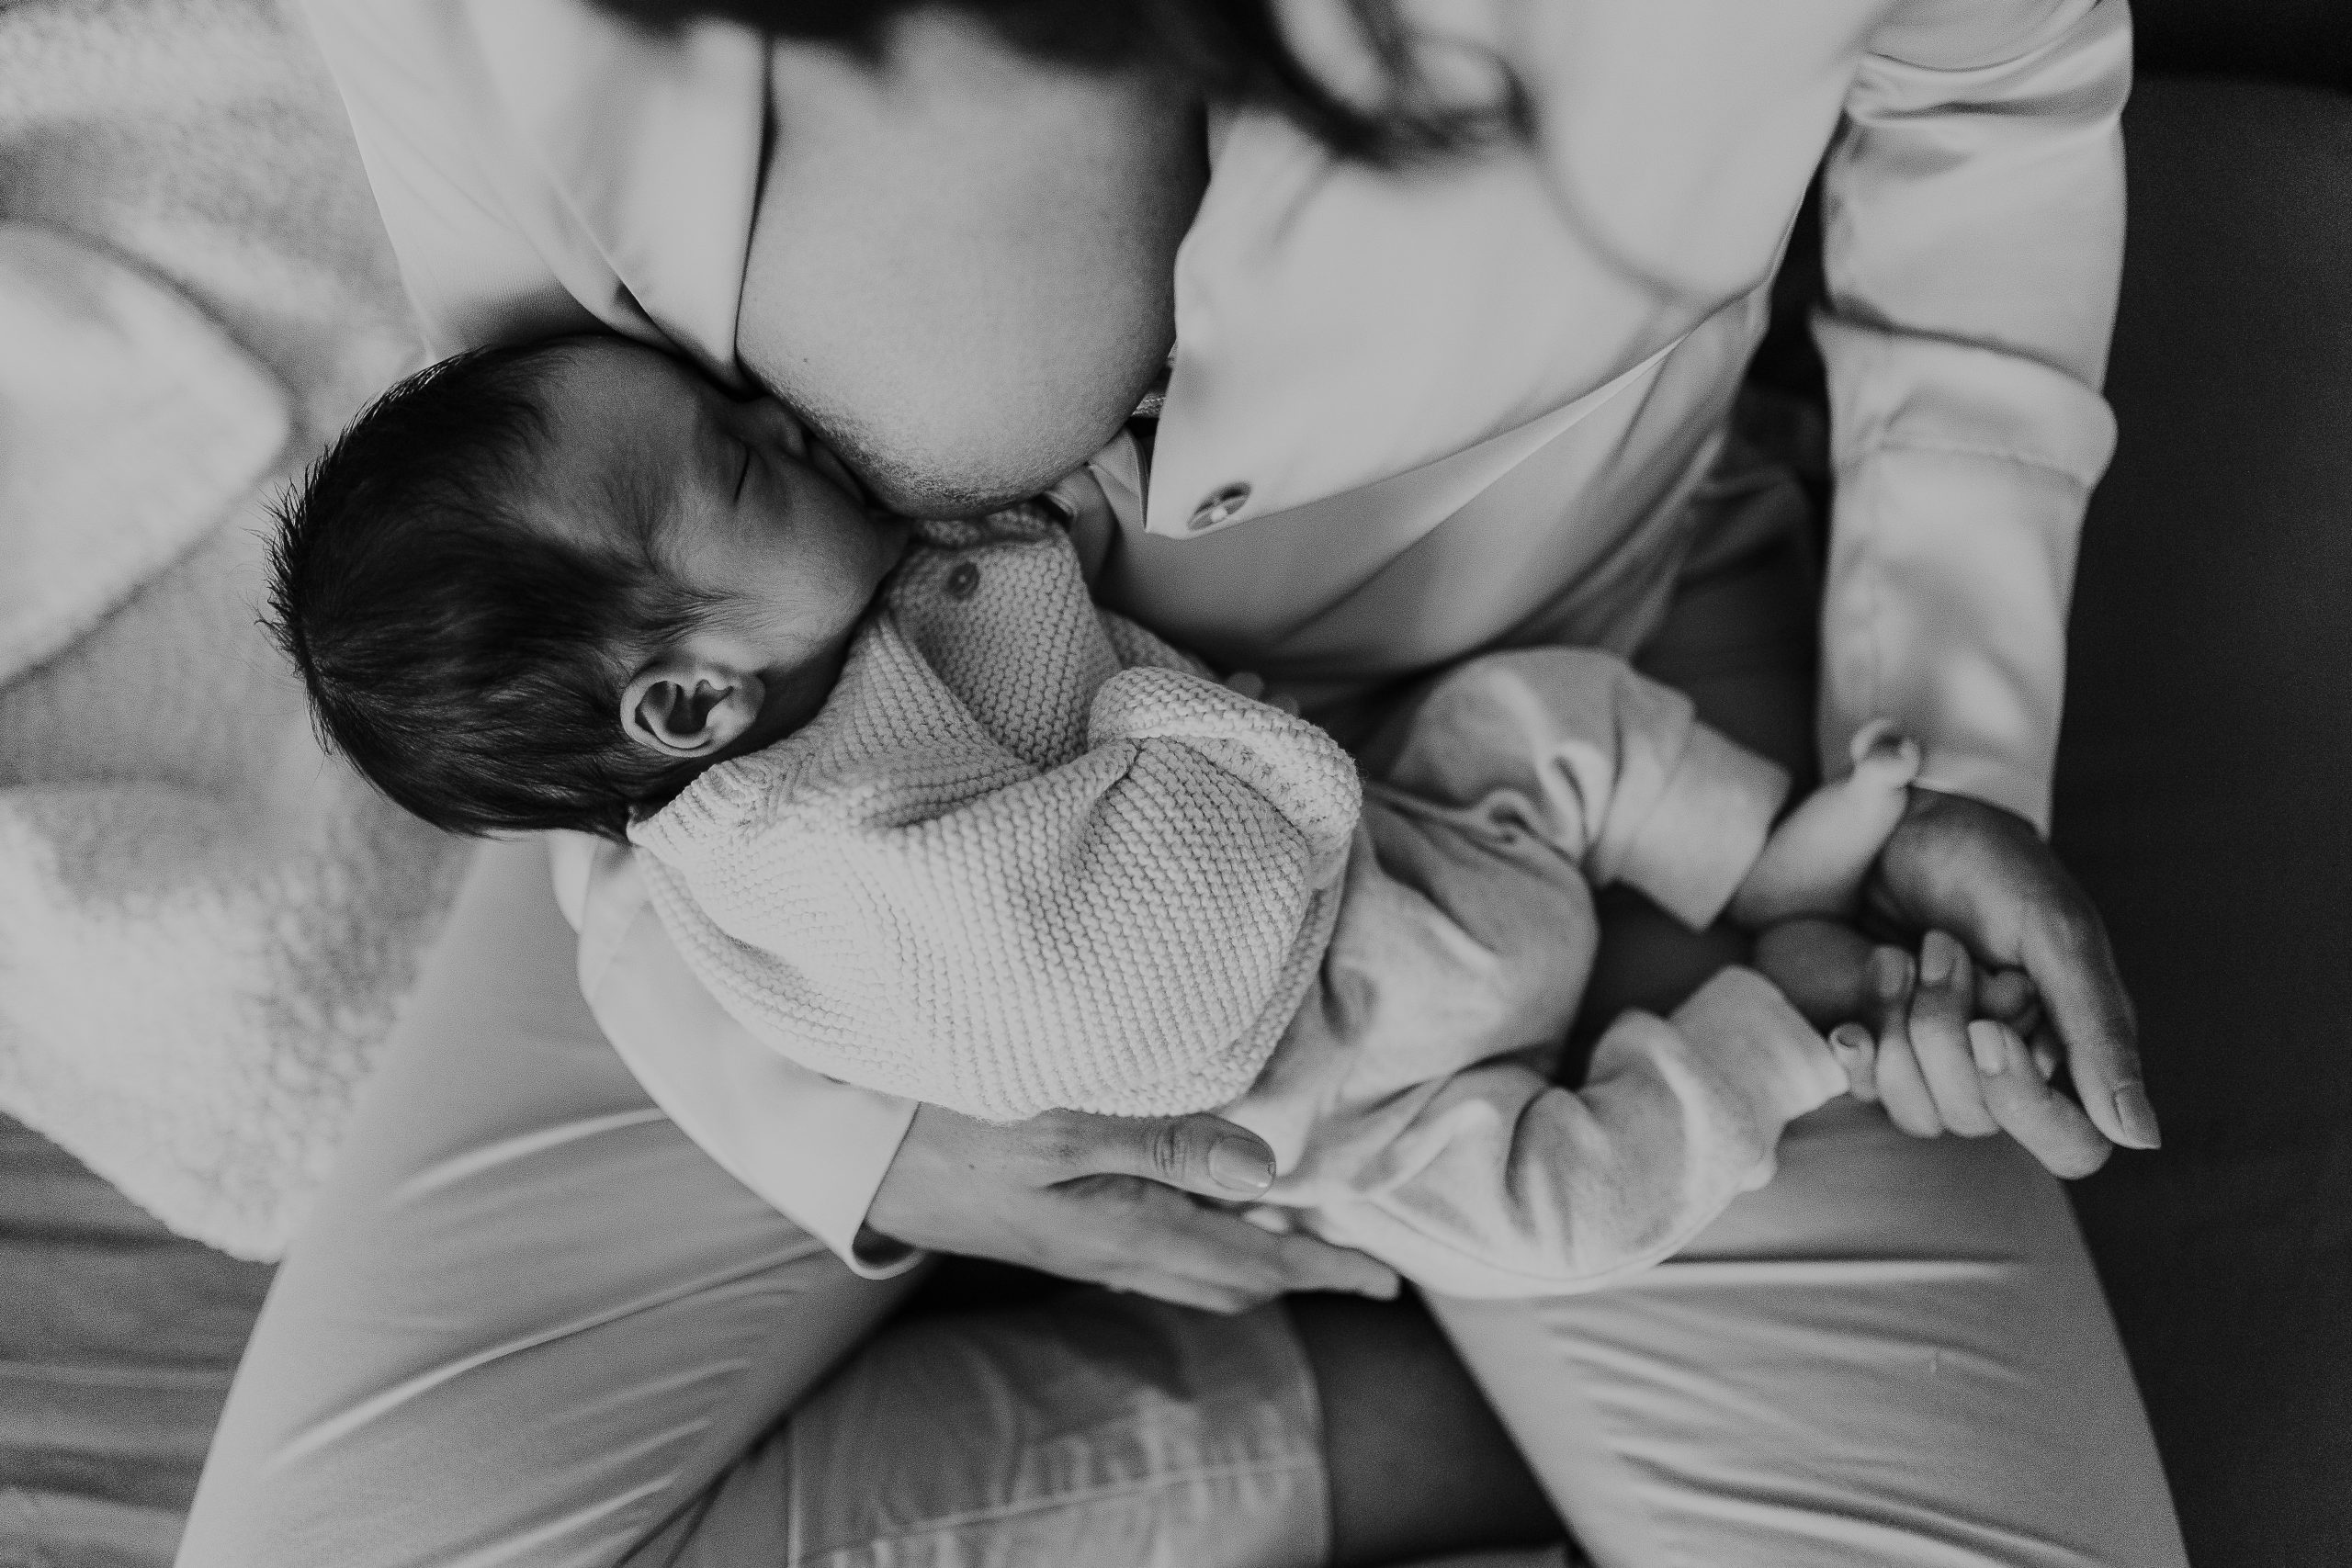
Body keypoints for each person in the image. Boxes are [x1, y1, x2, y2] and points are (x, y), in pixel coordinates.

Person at [180, 2, 2189, 1564]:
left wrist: (1939, 739)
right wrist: (850, 1127)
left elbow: (1986, 97)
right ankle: (1412, 1407)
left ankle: (1521, 1355)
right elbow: (550, 595)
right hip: (789, 865)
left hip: (1579, 675)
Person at [267, 332, 2019, 1299]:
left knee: (1540, 719)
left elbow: (1049, 572)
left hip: (1400, 833)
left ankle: (1758, 848)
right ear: (685, 707)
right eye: (741, 460)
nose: (779, 409)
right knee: (1538, 1222)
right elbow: (1118, 997)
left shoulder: (824, 610)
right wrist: (1188, 734)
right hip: (1321, 1087)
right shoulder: (806, 854)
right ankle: (1775, 1036)